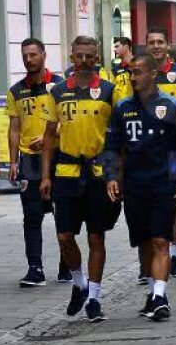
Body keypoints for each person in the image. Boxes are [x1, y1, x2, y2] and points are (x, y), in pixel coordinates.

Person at [104, 54, 176, 321]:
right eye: (130, 73)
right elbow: (111, 147)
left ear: (153, 74)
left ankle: (160, 296)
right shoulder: (122, 108)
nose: (133, 78)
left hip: (162, 185)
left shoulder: (169, 105)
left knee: (160, 240)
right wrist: (111, 177)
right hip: (134, 186)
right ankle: (151, 291)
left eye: (138, 72)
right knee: (144, 241)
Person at [40, 36, 120, 323]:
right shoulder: (58, 91)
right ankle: (79, 283)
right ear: (72, 57)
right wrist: (45, 175)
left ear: (96, 58)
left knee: (96, 236)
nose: (84, 61)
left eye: (89, 56)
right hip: (66, 173)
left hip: (98, 174)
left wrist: (114, 175)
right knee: (64, 237)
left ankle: (94, 298)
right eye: (79, 56)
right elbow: (49, 136)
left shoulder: (109, 90)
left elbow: (116, 138)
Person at [6, 39, 63, 287]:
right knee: (31, 216)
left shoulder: (59, 85)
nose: (29, 60)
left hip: (58, 157)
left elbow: (68, 121)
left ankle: (67, 265)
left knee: (63, 215)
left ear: (43, 55)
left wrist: (51, 135)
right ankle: (35, 268)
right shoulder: (16, 91)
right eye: (25, 56)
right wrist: (13, 161)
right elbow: (14, 127)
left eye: (33, 55)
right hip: (29, 161)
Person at [145, 27, 176, 278]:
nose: (156, 46)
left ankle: (174, 255)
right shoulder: (140, 72)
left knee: (175, 201)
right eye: (152, 42)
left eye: (160, 42)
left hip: (172, 152)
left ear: (168, 45)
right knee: (146, 203)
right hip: (145, 151)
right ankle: (149, 258)